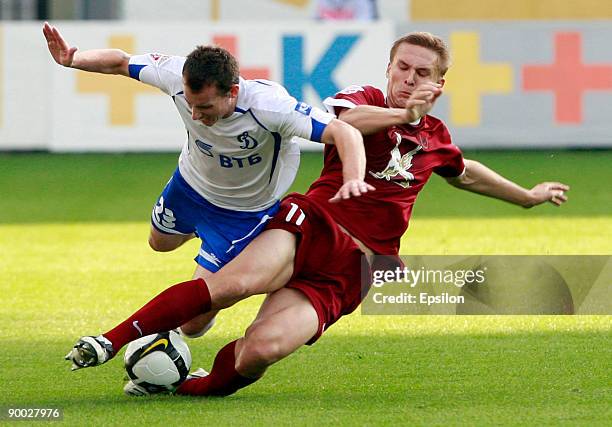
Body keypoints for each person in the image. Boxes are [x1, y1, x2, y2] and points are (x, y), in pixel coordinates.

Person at [65, 32, 569, 397]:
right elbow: (346, 124)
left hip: (357, 266)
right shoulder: (364, 99)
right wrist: (402, 115)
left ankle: (186, 388)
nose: (408, 78)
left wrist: (527, 196)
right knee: (233, 286)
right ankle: (108, 343)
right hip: (311, 224)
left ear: (439, 82)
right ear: (389, 68)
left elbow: (466, 172)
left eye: (421, 72)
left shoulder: (435, 139)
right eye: (402, 67)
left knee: (262, 350)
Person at [43, 22, 371, 337]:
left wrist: (354, 177)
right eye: (191, 104)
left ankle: (223, 256)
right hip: (191, 186)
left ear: (233, 92)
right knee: (159, 243)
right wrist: (73, 59)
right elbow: (120, 61)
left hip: (243, 212)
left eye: (205, 106)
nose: (196, 115)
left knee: (192, 325)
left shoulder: (271, 108)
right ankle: (202, 238)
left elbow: (343, 130)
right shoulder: (174, 73)